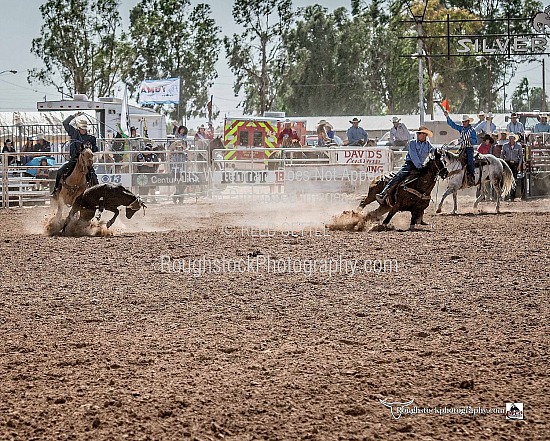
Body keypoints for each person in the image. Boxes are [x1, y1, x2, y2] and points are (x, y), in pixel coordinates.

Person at [376, 126, 435, 203]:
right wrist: (420, 167)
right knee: (399, 175)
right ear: (418, 134)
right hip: (410, 164)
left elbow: (435, 151)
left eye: (425, 134)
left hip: (422, 166)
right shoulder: (412, 143)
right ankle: (384, 193)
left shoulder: (428, 145)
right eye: (422, 134)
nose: (424, 136)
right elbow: (414, 156)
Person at [51, 113, 98, 198]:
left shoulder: (91, 138)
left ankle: (97, 195)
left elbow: (95, 149)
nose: (83, 130)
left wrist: (90, 148)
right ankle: (56, 190)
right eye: (82, 128)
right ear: (79, 128)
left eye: (84, 129)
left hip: (86, 163)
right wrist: (73, 116)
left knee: (93, 177)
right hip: (73, 160)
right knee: (60, 171)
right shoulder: (74, 133)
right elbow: (65, 123)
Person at [444, 111, 478, 185]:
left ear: (468, 122)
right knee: (455, 160)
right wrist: (447, 117)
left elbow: (475, 141)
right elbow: (453, 125)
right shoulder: (461, 128)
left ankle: (472, 177)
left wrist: (471, 140)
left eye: (465, 122)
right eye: (463, 122)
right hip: (462, 148)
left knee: (470, 162)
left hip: (469, 148)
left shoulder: (472, 130)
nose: (464, 123)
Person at [500, 133, 523, 201]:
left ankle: (512, 196)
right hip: (507, 163)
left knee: (514, 179)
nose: (511, 140)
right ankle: (506, 195)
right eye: (510, 138)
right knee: (506, 178)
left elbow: (521, 156)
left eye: (512, 138)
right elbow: (502, 154)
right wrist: (502, 163)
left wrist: (519, 165)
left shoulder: (518, 146)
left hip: (515, 163)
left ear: (514, 139)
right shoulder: (505, 146)